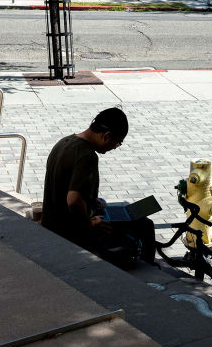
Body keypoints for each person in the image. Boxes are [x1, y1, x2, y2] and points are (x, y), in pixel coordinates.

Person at [41, 107, 155, 266]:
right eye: (117, 143)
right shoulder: (88, 156)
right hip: (69, 232)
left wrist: (91, 201)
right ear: (107, 136)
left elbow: (63, 186)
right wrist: (89, 223)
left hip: (51, 224)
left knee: (126, 210)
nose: (114, 148)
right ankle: (149, 270)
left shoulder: (64, 142)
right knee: (144, 224)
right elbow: (73, 200)